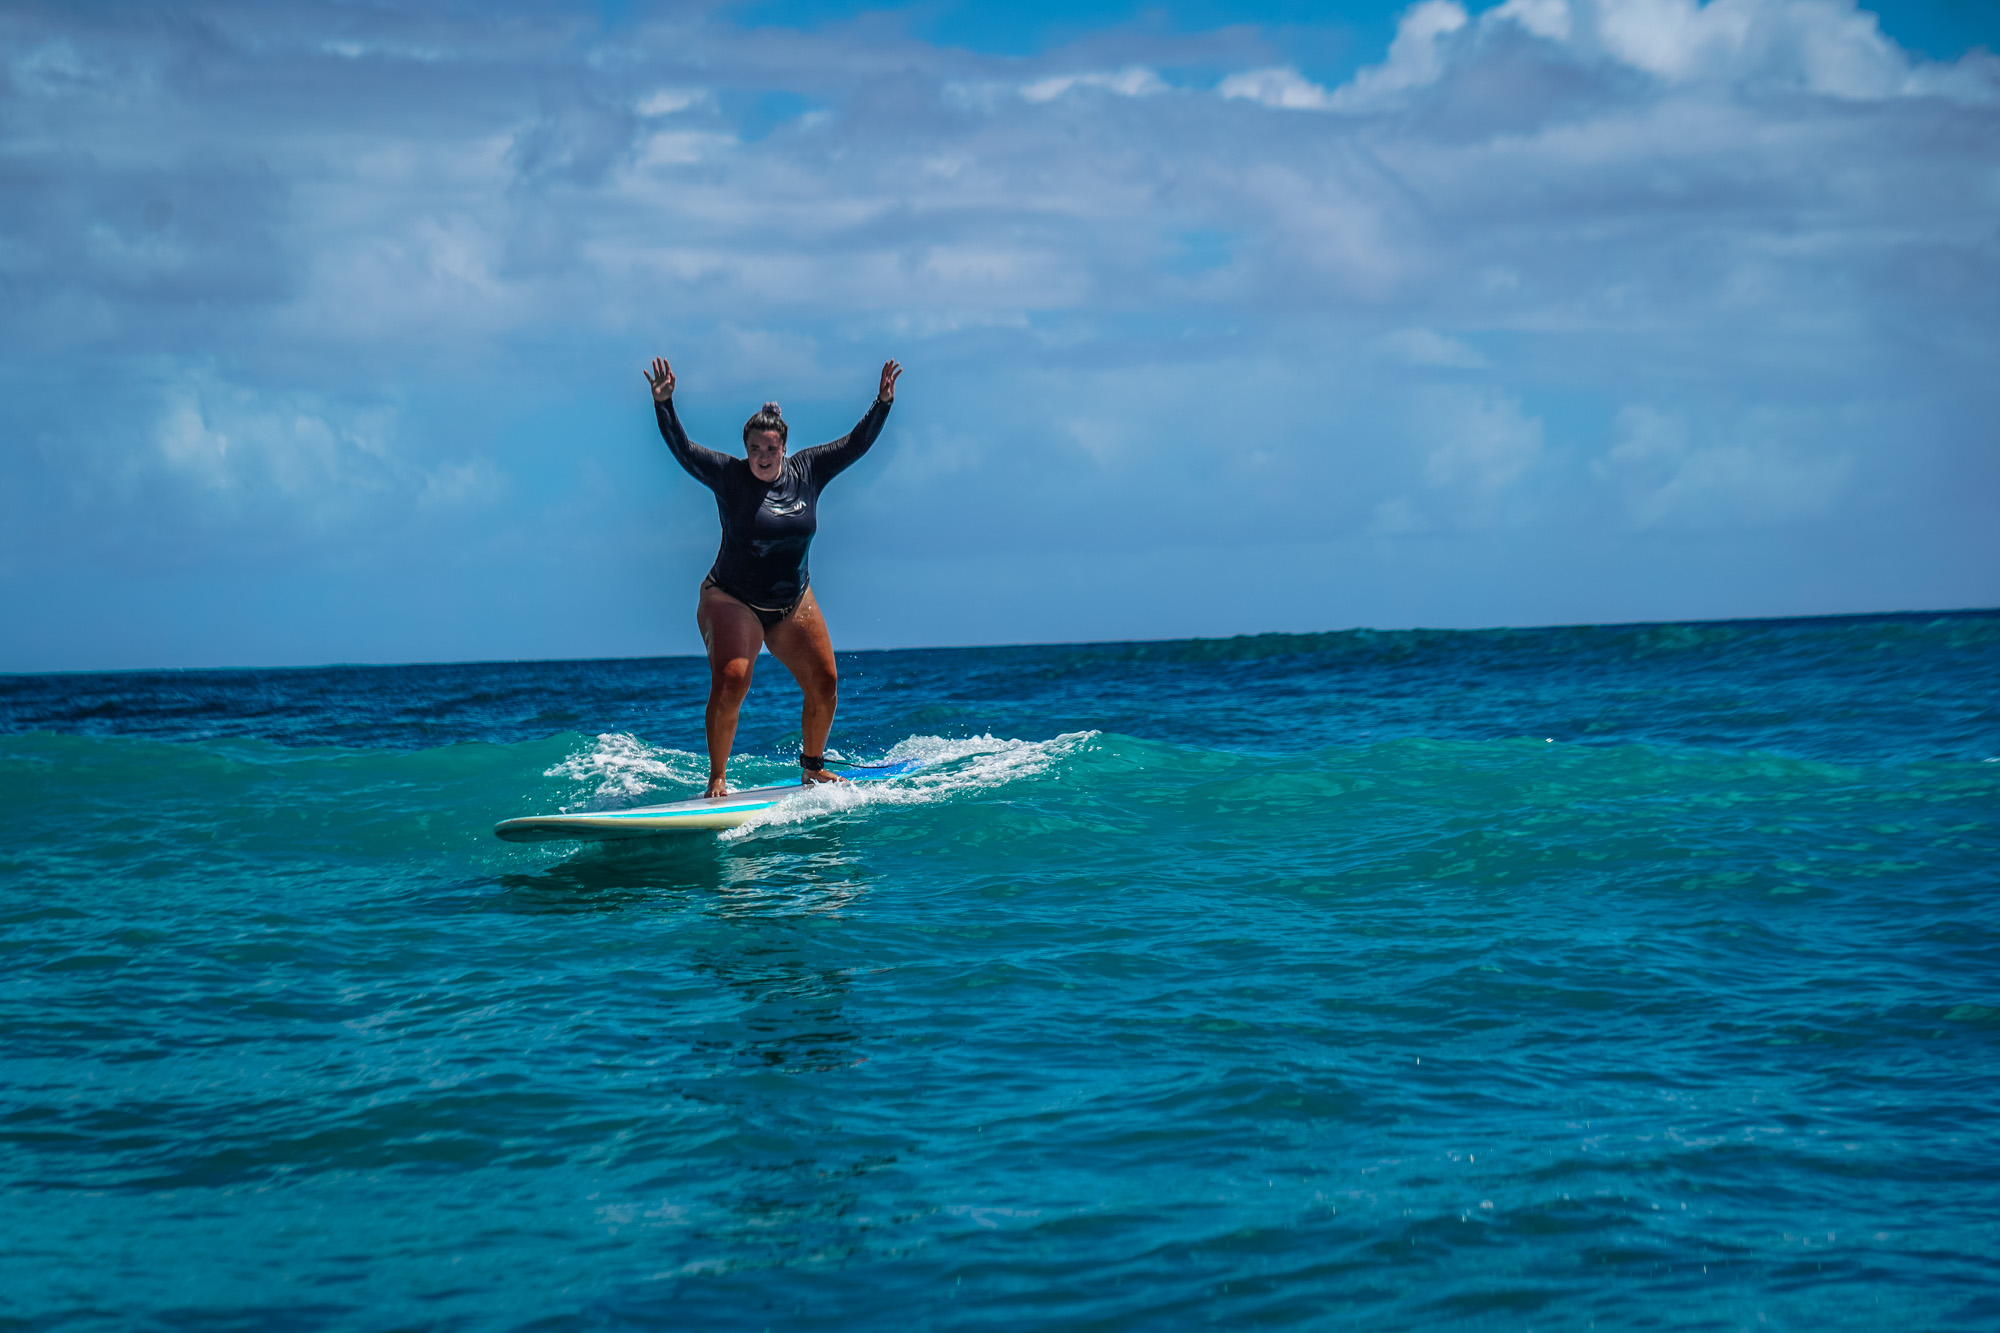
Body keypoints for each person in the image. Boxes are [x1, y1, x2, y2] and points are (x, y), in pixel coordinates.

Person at [644, 355, 902, 798]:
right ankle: (718, 778)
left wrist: (882, 403)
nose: (763, 457)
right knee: (733, 678)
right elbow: (684, 451)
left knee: (825, 683)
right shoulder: (729, 477)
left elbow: (856, 444)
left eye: (771, 449)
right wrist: (664, 404)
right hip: (732, 597)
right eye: (755, 449)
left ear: (784, 446)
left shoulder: (809, 470)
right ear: (746, 448)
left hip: (791, 601)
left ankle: (814, 767)